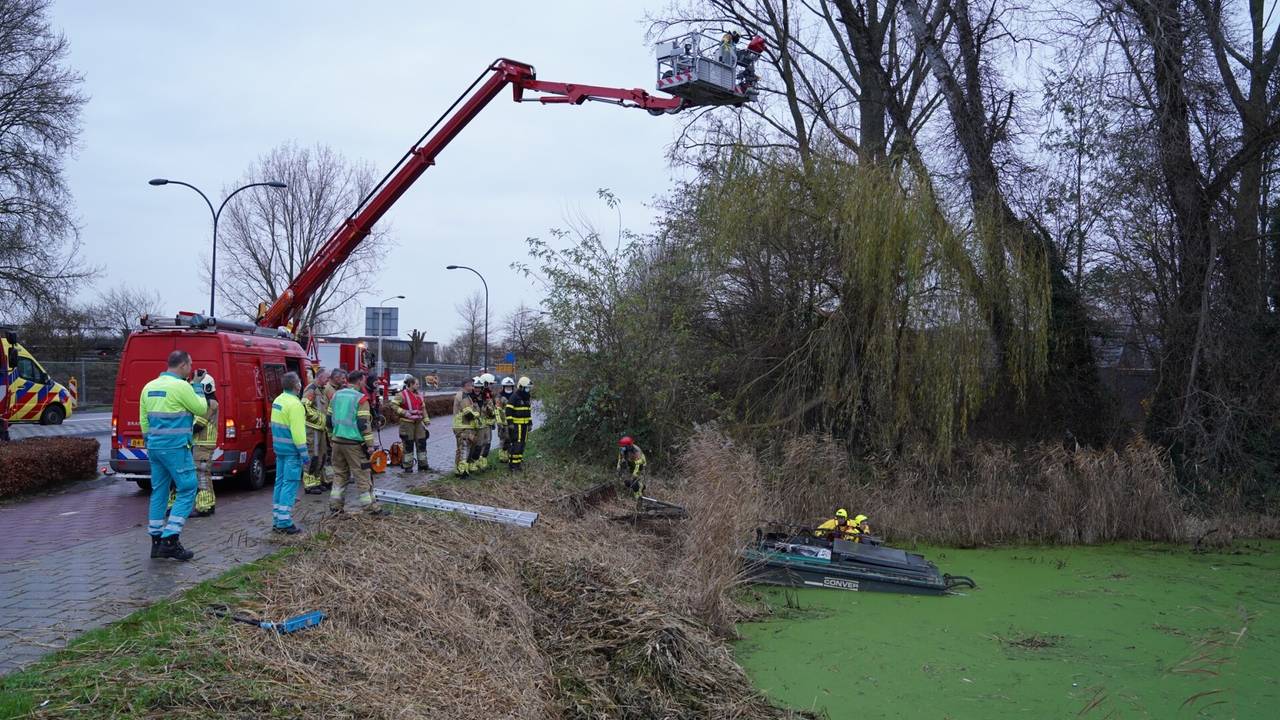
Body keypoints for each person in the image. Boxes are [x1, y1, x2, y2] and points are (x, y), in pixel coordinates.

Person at [140, 350, 208, 561]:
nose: (191, 369)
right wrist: (197, 386)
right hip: (176, 448)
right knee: (188, 488)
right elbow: (201, 408)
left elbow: (144, 420)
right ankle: (170, 539)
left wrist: (150, 441)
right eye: (190, 365)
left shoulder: (149, 386)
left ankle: (156, 542)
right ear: (183, 365)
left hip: (155, 448)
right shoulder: (182, 386)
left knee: (159, 491)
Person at [326, 370, 388, 516]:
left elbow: (328, 420)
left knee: (340, 474)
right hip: (354, 444)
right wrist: (370, 445)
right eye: (363, 380)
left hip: (337, 441)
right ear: (359, 381)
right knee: (362, 475)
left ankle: (335, 506)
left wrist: (331, 438)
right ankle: (370, 508)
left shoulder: (336, 396)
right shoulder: (361, 399)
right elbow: (363, 424)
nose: (364, 383)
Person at [269, 372, 309, 534]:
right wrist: (304, 454)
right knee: (290, 484)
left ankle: (277, 518)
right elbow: (298, 433)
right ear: (296, 386)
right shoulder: (296, 405)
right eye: (299, 382)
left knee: (280, 483)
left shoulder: (278, 400)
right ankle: (284, 522)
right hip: (292, 451)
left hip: (279, 449)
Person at [189, 370, 219, 516]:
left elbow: (198, 425)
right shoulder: (211, 402)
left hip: (202, 444)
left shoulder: (209, 404)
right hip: (203, 444)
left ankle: (204, 506)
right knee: (204, 474)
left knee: (201, 475)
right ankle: (208, 504)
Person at [392, 374, 430, 472]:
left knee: (422, 443)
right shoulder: (402, 395)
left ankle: (423, 465)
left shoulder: (419, 395)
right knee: (408, 445)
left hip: (418, 423)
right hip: (407, 423)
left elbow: (423, 408)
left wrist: (426, 419)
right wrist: (404, 412)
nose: (418, 386)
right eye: (416, 384)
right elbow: (393, 405)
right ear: (411, 384)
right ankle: (408, 466)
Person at [301, 369, 331, 494]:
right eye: (326, 378)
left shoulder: (321, 390)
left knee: (321, 456)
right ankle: (309, 485)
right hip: (312, 430)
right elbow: (304, 407)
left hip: (320, 429)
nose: (328, 380)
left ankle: (317, 482)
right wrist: (321, 420)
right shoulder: (311, 389)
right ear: (319, 377)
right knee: (313, 456)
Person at [451, 376, 481, 477]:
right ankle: (463, 472)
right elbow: (468, 413)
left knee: (461, 448)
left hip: (462, 426)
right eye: (471, 386)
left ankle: (458, 470)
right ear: (466, 386)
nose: (473, 388)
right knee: (464, 448)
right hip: (463, 427)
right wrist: (477, 414)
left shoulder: (465, 395)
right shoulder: (463, 396)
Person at [505, 376, 533, 472]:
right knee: (517, 444)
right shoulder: (514, 397)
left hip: (525, 426)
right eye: (526, 387)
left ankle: (518, 463)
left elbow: (528, 411)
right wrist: (510, 423)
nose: (528, 389)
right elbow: (508, 411)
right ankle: (513, 465)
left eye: (529, 388)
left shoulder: (527, 397)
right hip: (517, 426)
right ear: (521, 387)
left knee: (522, 445)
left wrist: (530, 423)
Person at [616, 436, 646, 508]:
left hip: (640, 465)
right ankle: (640, 488)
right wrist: (619, 467)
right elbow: (620, 458)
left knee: (636, 484)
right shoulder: (623, 450)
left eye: (623, 447)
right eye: (621, 447)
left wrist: (635, 474)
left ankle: (639, 499)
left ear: (628, 446)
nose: (622, 448)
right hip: (631, 465)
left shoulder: (636, 451)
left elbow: (638, 464)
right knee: (627, 482)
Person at [475, 373, 497, 471]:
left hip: (488, 424)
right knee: (479, 444)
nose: (492, 386)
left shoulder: (488, 395)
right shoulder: (479, 396)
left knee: (487, 443)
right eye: (491, 384)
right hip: (480, 425)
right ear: (485, 384)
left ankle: (483, 463)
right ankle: (476, 463)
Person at [496, 376, 515, 463]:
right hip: (503, 422)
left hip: (514, 421)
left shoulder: (515, 395)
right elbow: (497, 409)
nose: (508, 387)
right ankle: (503, 457)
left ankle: (512, 455)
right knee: (503, 439)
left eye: (510, 386)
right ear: (503, 386)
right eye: (507, 386)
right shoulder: (499, 396)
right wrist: (499, 421)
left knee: (513, 439)